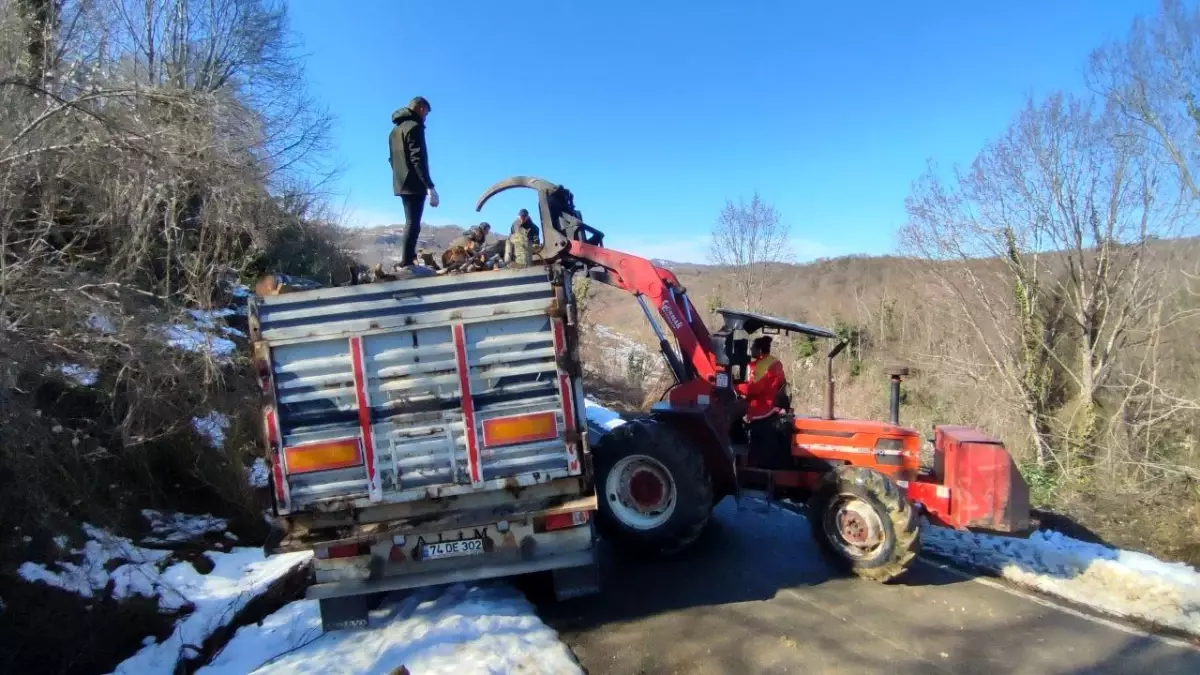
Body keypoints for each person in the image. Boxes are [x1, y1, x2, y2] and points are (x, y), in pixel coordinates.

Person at [389, 96, 438, 267]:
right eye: (426, 113)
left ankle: (407, 258)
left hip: (400, 181)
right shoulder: (415, 127)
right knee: (413, 223)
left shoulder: (394, 131)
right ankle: (407, 260)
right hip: (414, 182)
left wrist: (399, 176)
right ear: (420, 108)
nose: (425, 117)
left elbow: (391, 159)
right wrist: (429, 185)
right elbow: (417, 158)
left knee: (410, 221)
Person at [736, 336, 791, 469]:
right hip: (771, 406)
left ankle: (755, 469)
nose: (750, 350)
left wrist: (734, 387)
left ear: (759, 350)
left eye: (753, 348)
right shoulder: (774, 362)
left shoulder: (763, 366)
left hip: (762, 409)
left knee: (758, 445)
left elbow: (754, 388)